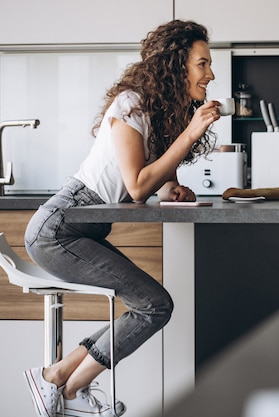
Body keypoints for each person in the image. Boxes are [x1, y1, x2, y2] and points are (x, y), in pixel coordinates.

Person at [23, 20, 222, 417]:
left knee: (150, 305)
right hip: (58, 230)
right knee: (154, 306)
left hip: (83, 229)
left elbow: (157, 183)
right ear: (176, 65)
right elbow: (135, 186)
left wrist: (173, 190)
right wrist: (190, 132)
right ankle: (71, 388)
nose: (210, 74)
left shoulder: (162, 114)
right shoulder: (130, 103)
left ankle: (58, 375)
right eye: (202, 64)